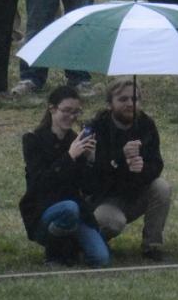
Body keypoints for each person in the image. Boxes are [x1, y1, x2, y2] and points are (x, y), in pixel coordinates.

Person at [19, 85, 110, 268]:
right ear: (52, 109)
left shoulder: (76, 140)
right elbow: (41, 183)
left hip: (77, 211)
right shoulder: (33, 140)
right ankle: (53, 254)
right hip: (43, 210)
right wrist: (69, 157)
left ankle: (72, 246)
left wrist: (91, 160)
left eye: (76, 112)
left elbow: (89, 188)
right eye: (66, 111)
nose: (72, 116)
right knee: (69, 208)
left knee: (101, 259)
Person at [87, 77, 171, 260]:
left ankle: (152, 245)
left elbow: (156, 164)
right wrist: (120, 159)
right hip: (105, 198)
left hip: (135, 193)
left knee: (161, 186)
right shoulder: (96, 128)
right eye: (123, 99)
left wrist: (142, 168)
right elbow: (93, 176)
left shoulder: (146, 124)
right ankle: (90, 241)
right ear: (110, 104)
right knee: (112, 222)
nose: (130, 104)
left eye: (135, 99)